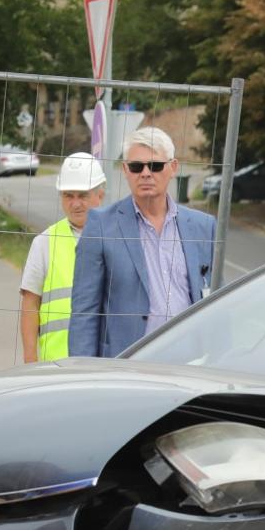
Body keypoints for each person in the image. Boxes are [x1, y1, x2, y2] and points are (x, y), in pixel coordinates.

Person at [68, 127, 215, 357]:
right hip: (128, 363)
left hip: (190, 362)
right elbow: (84, 312)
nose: (146, 173)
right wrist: (83, 373)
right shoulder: (101, 225)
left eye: (155, 166)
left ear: (173, 167)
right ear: (126, 170)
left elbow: (219, 304)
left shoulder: (204, 227)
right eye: (137, 166)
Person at [19, 153, 107, 362]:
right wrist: (30, 361)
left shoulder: (116, 238)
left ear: (100, 195)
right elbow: (30, 305)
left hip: (106, 364)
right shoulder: (45, 242)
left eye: (83, 195)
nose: (75, 204)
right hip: (57, 366)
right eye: (68, 195)